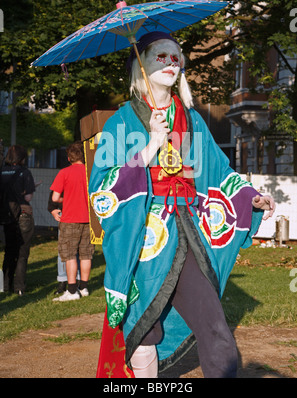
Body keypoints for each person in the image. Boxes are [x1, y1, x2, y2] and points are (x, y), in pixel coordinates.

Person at [89, 31, 275, 378]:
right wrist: (150, 147)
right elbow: (103, 187)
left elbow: (218, 170)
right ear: (140, 64)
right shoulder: (121, 122)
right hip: (144, 239)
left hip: (188, 233)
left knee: (215, 328)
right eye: (161, 55)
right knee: (145, 330)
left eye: (176, 57)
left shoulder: (192, 120)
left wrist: (251, 197)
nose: (171, 63)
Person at [50, 141, 93, 301]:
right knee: (86, 255)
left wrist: (65, 198)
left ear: (69, 158)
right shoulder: (91, 172)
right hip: (88, 219)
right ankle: (84, 287)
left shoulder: (64, 173)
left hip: (70, 220)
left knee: (69, 256)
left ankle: (72, 290)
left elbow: (55, 197)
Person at [1, 145, 35, 295]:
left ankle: (5, 285)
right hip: (23, 215)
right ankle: (19, 287)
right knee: (22, 253)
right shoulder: (25, 172)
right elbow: (28, 197)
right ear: (22, 158)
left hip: (7, 216)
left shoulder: (1, 171)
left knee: (9, 251)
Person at [47, 191, 81, 294]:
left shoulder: (84, 179)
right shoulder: (62, 180)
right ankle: (63, 282)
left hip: (79, 216)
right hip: (65, 216)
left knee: (78, 252)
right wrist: (53, 210)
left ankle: (78, 282)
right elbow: (52, 201)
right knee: (63, 253)